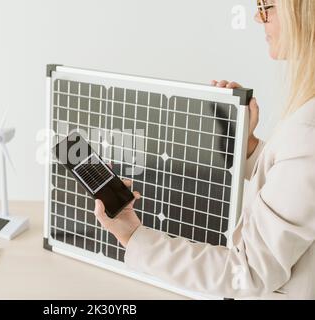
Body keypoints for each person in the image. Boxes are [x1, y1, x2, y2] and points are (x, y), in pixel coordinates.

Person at [94, 0, 315, 299]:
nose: (256, 17)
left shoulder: (307, 133)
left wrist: (132, 235)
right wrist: (246, 145)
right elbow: (297, 183)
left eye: (265, 6)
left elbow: (248, 273)